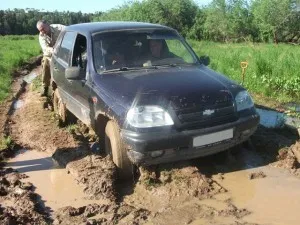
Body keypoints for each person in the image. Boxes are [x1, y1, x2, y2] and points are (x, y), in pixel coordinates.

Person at [36, 20, 65, 96]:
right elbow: (45, 48)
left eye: (43, 29)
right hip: (50, 54)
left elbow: (70, 32)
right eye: (40, 30)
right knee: (46, 64)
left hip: (64, 51)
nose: (42, 31)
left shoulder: (59, 28)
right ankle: (45, 87)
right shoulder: (41, 36)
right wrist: (54, 50)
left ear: (47, 25)